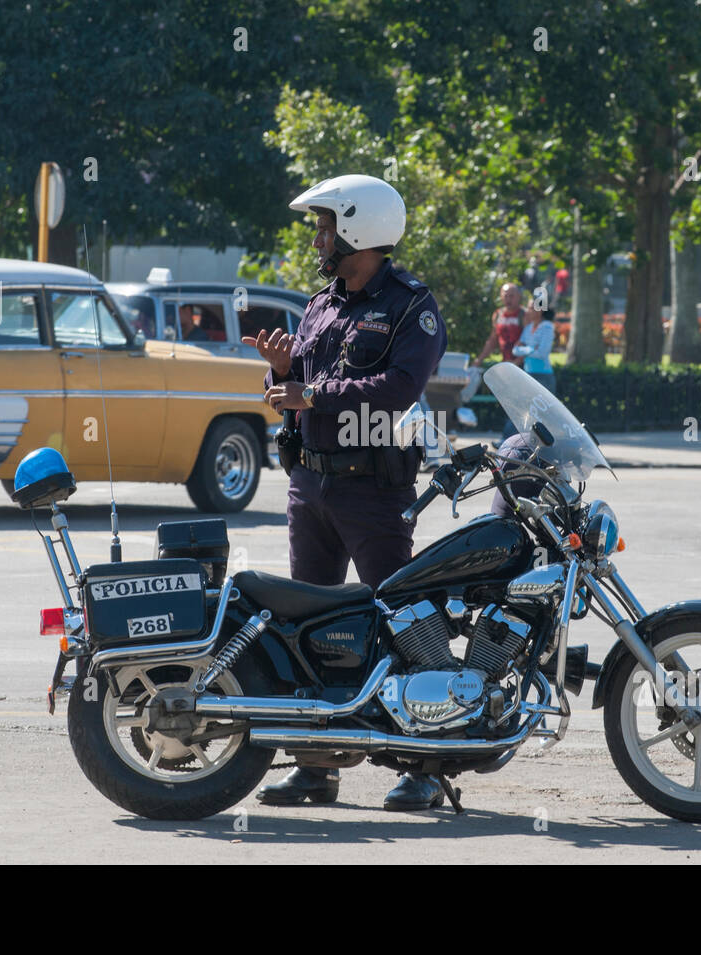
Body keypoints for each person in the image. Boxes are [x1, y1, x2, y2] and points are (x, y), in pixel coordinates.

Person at [242, 173, 448, 812]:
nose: (319, 241)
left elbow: (397, 388)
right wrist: (284, 374)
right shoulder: (320, 303)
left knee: (407, 621)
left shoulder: (413, 307)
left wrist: (311, 392)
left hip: (371, 492)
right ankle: (316, 766)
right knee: (309, 626)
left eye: (326, 228)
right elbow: (304, 381)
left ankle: (425, 765)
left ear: (359, 230)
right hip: (311, 487)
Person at [501, 304, 556, 438]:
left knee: (544, 413)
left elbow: (543, 353)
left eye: (531, 308)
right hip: (528, 375)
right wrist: (532, 349)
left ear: (540, 311)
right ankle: (507, 439)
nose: (528, 310)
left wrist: (525, 350)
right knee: (519, 409)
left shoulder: (547, 327)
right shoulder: (528, 328)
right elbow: (516, 349)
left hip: (543, 377)